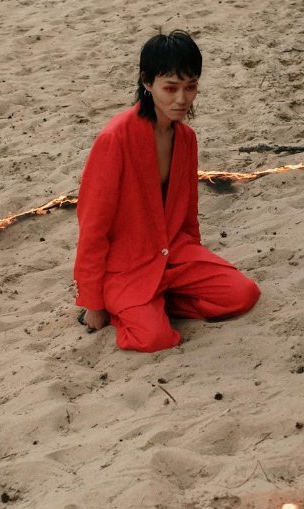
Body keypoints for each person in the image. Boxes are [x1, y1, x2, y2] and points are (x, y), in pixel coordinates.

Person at [72, 30, 260, 353]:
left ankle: (155, 300)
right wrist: (93, 303)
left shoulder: (186, 139)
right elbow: (92, 226)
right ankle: (134, 306)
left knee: (243, 294)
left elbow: (188, 214)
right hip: (127, 263)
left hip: (174, 253)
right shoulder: (115, 139)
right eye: (171, 88)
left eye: (191, 87)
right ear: (147, 82)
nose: (182, 99)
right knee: (155, 338)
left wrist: (195, 259)